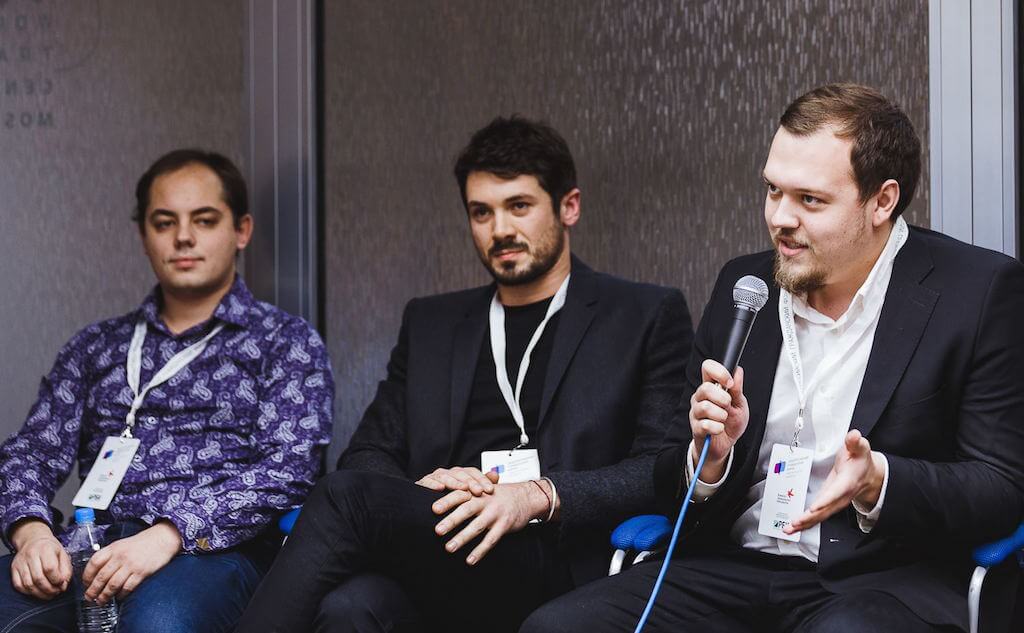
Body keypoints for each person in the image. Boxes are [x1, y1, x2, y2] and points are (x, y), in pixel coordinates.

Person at [521, 84, 1024, 633]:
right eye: (773, 190)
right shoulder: (745, 285)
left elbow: (1002, 486)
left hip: (879, 577)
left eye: (810, 200)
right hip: (732, 565)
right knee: (557, 627)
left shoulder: (976, 292)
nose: (780, 218)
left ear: (882, 201)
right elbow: (669, 469)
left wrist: (880, 480)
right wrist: (709, 462)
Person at [235, 116, 695, 633]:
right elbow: (368, 453)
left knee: (343, 497)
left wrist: (538, 495)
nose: (500, 230)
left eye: (518, 206)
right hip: (448, 539)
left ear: (569, 206)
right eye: (481, 212)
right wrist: (424, 486)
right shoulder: (431, 323)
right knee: (351, 607)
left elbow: (662, 468)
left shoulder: (642, 314)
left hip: (560, 557)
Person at [0, 149, 334, 633]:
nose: (183, 237)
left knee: (160, 625)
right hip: (91, 549)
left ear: (241, 230)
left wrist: (170, 533)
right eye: (164, 222)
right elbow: (31, 452)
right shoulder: (96, 346)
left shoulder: (285, 342)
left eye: (204, 220)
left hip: (212, 554)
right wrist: (31, 533)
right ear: (144, 236)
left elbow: (288, 470)